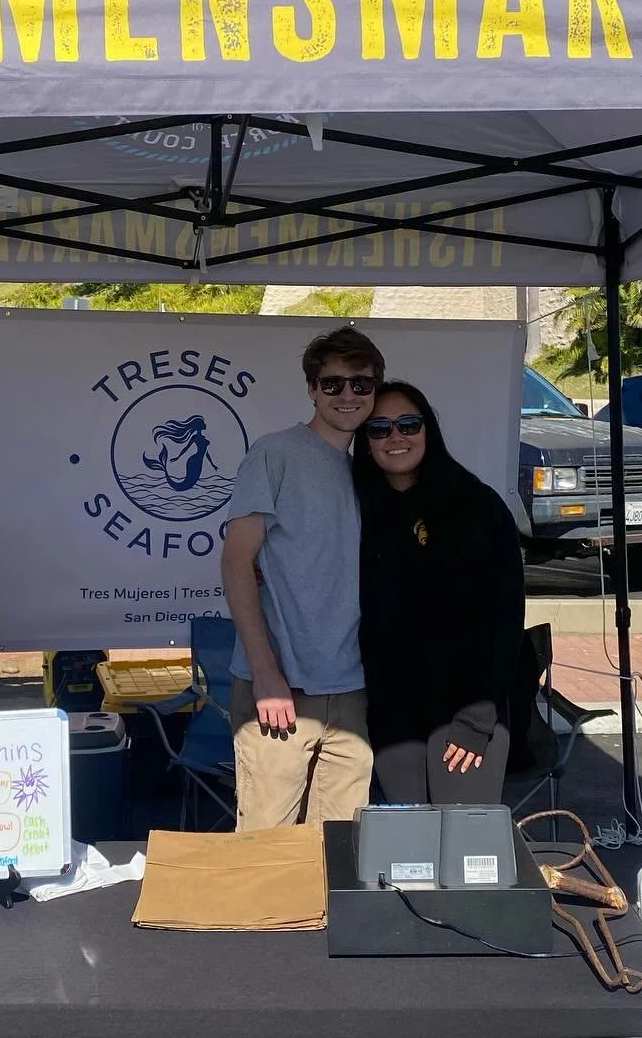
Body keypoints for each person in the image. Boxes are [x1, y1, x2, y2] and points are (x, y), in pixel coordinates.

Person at [220, 325, 385, 830]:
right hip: (282, 687)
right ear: (311, 389)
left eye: (361, 383)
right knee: (267, 850)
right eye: (332, 383)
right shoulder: (275, 454)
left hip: (355, 689)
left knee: (339, 851)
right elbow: (235, 564)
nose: (348, 395)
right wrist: (267, 673)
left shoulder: (376, 466)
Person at [352, 381, 525, 806]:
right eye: (379, 428)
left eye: (409, 424)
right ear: (366, 440)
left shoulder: (476, 506)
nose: (396, 437)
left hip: (465, 714)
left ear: (429, 429)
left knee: (462, 856)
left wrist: (477, 721)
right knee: (410, 855)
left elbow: (504, 618)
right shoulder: (356, 508)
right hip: (391, 718)